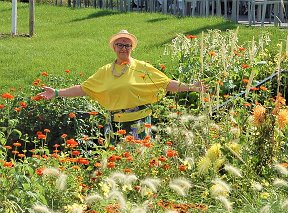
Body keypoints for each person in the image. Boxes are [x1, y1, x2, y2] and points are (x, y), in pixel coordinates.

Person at [38, 29, 205, 144]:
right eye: (120, 45)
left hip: (139, 125)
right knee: (115, 164)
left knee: (138, 164)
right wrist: (57, 92)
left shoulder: (142, 68)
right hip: (114, 125)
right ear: (114, 47)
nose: (123, 48)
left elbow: (167, 83)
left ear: (132, 48)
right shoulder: (105, 71)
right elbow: (84, 88)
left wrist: (192, 87)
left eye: (127, 45)